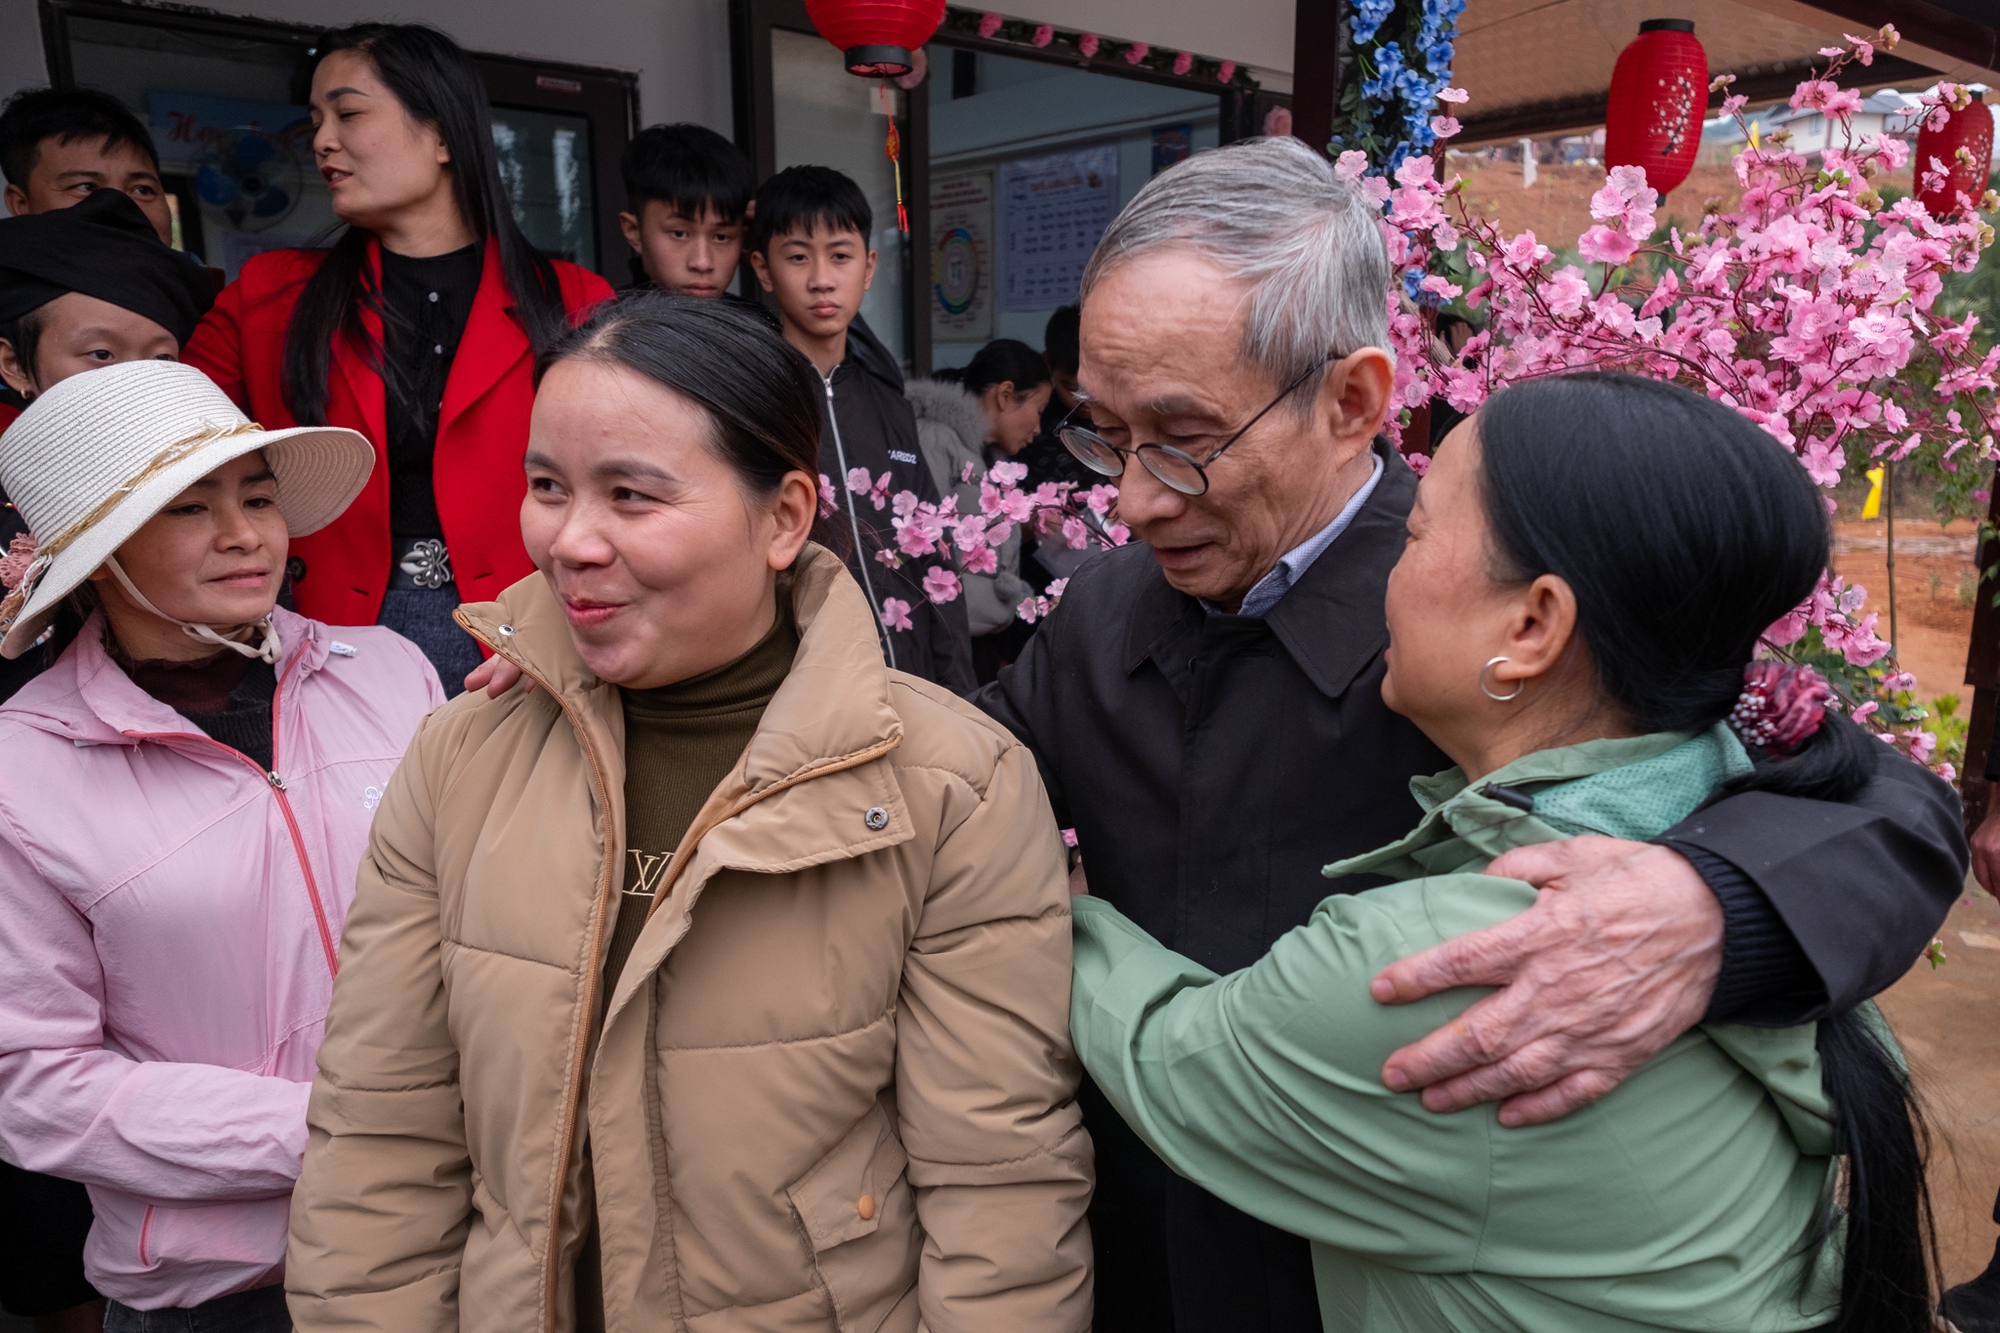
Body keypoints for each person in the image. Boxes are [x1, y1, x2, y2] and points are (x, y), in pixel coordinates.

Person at [971, 136, 1967, 1333]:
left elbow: (1877, 804)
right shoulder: (1103, 611)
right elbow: (960, 783)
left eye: (1182, 437)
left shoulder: (1495, 603)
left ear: (1351, 400)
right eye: (1103, 433)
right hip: (1139, 1250)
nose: (1133, 497)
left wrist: (1717, 906)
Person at [286, 292, 1092, 1331]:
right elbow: (381, 1141)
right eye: (546, 487)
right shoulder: (461, 757)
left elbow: (998, 1191)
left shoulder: (950, 786)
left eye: (631, 494)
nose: (570, 539)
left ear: (783, 518)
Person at [0, 359, 445, 1333]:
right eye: (190, 507)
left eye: (258, 495)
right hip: (225, 1292)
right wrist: (332, 1127)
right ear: (100, 552)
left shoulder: (393, 675)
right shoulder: (22, 773)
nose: (247, 535)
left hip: (447, 1238)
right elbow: (34, 1084)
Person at [183, 23, 613, 688]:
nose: (323, 140)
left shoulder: (575, 300)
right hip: (325, 632)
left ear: (443, 133)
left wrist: (574, 623)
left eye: (349, 113)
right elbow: (165, 441)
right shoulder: (270, 296)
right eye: (317, 119)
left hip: (533, 632)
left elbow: (621, 486)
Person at [747, 164, 974, 692]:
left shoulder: (889, 404)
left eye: (841, 255)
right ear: (763, 269)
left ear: (869, 267)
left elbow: (934, 549)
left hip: (912, 680)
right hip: (808, 683)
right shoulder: (753, 400)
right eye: (798, 256)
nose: (821, 278)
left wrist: (961, 690)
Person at [910, 339, 1051, 683]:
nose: (1038, 428)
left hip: (976, 640)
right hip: (945, 645)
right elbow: (925, 548)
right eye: (1039, 409)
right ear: (1005, 395)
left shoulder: (989, 458)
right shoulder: (935, 441)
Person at [0, 87, 172, 245]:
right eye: (86, 187)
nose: (120, 209)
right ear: (21, 205)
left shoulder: (191, 277)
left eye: (142, 190)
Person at [618, 122, 754, 299]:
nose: (702, 263)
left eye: (721, 237)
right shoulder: (611, 325)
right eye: (680, 233)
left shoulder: (757, 323)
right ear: (634, 232)